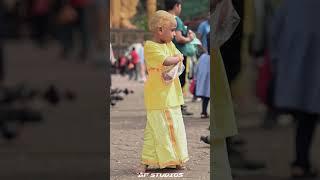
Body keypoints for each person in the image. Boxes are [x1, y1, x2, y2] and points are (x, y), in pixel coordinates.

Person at [270, 0, 320, 177]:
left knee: (306, 119)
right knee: (308, 119)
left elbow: (274, 35)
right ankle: (301, 162)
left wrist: (276, 61)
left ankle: (300, 162)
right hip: (310, 76)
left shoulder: (289, 6)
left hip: (299, 75)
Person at [136, 10, 189, 173]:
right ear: (160, 30)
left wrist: (178, 57)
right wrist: (179, 58)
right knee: (162, 128)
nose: (174, 34)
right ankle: (167, 159)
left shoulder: (169, 44)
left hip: (171, 94)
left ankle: (171, 159)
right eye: (172, 30)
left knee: (168, 128)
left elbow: (177, 55)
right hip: (159, 96)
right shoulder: (150, 47)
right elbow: (167, 60)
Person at [165, 0, 195, 116]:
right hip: (179, 54)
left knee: (170, 79)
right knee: (180, 80)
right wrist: (190, 38)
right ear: (176, 6)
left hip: (168, 53)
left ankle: (172, 104)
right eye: (180, 6)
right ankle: (178, 105)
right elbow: (179, 38)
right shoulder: (176, 19)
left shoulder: (163, 18)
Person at [195, 35, 210, 118]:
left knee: (205, 97)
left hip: (205, 84)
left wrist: (195, 78)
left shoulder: (203, 57)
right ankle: (204, 112)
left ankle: (203, 112)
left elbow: (196, 69)